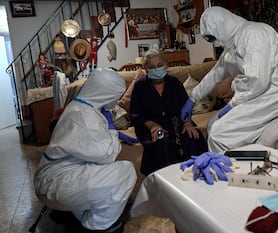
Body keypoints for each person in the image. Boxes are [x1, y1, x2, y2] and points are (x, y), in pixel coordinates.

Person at [180, 6, 278, 153]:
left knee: (218, 135)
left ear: (221, 26)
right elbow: (216, 74)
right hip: (253, 96)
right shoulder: (233, 44)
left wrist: (232, 104)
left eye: (213, 37)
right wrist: (193, 98)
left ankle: (231, 172)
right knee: (212, 124)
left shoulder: (254, 34)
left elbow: (257, 80)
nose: (215, 43)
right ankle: (230, 165)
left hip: (272, 95)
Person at [34, 68, 137, 233]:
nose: (117, 100)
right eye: (116, 95)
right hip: (56, 182)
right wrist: (112, 132)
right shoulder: (82, 116)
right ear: (106, 93)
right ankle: (97, 226)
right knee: (125, 171)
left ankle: (81, 217)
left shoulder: (82, 107)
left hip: (60, 174)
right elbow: (107, 155)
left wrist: (111, 132)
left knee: (103, 176)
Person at [129, 49, 208, 176]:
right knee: (161, 140)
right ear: (146, 69)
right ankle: (168, 179)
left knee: (193, 136)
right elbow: (136, 115)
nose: (156, 69)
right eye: (152, 67)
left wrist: (188, 123)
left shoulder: (174, 83)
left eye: (159, 65)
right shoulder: (140, 86)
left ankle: (196, 174)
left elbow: (185, 108)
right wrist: (152, 125)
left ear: (166, 65)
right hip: (149, 125)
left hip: (176, 122)